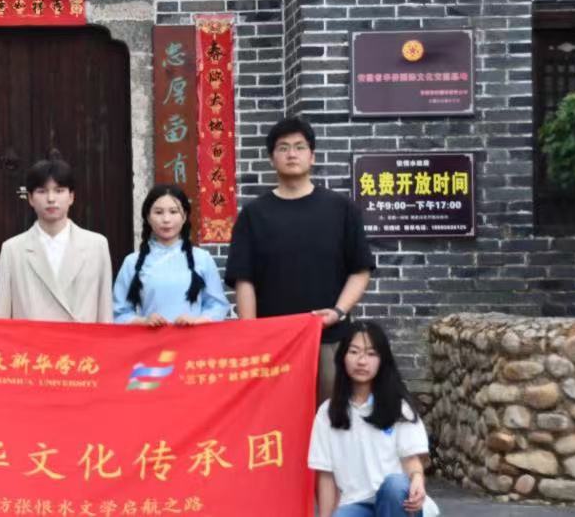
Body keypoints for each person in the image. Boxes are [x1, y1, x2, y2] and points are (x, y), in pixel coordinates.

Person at [225, 116, 375, 402]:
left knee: (330, 415)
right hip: (274, 343)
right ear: (272, 159)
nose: (291, 154)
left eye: (299, 147)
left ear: (312, 156)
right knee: (275, 416)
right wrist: (252, 335)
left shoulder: (341, 209)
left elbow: (360, 270)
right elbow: (244, 280)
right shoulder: (253, 215)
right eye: (283, 148)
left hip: (329, 338)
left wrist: (338, 311)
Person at [308, 321, 438, 517]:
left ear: (382, 360)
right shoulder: (327, 412)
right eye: (354, 352)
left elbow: (412, 459)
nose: (362, 361)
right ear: (342, 357)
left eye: (371, 354)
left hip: (397, 502)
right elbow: (326, 475)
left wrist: (418, 479)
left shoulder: (398, 406)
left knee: (395, 485)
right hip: (357, 505)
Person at [0, 157, 113, 322]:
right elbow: (1, 319)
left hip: (81, 338)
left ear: (71, 197)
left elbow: (105, 314)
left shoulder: (96, 246)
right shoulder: (12, 250)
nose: (51, 198)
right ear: (30, 198)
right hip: (31, 338)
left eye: (59, 190)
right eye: (42, 191)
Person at [112, 184, 228, 325]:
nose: (166, 219)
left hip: (193, 337)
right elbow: (119, 313)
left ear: (184, 216)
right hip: (150, 338)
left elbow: (218, 306)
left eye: (173, 212)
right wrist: (143, 321)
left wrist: (196, 321)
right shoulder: (132, 262)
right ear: (148, 217)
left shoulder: (202, 258)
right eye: (158, 212)